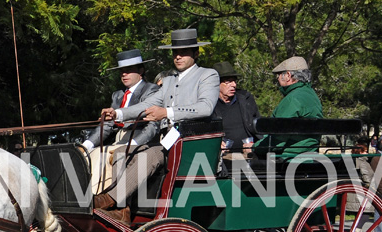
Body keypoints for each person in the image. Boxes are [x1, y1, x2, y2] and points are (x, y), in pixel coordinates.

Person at [95, 28, 220, 220]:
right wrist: (117, 113)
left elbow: (206, 107)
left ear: (195, 53)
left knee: (152, 154)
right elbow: (147, 105)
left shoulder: (208, 75)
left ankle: (109, 198)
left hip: (193, 143)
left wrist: (167, 112)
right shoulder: (169, 81)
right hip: (170, 143)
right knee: (121, 151)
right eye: (175, 52)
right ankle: (123, 208)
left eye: (184, 52)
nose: (178, 56)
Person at [82, 49, 160, 219]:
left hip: (138, 139)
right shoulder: (117, 95)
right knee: (93, 154)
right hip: (117, 140)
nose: (124, 74)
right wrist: (86, 146)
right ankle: (92, 198)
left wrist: (131, 144)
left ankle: (116, 205)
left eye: (129, 70)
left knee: (113, 154)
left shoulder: (151, 90)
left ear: (141, 71)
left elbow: (152, 126)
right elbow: (107, 125)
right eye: (121, 71)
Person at [256, 56, 323, 156]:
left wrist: (254, 148)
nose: (278, 79)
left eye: (278, 75)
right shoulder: (313, 96)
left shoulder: (292, 99)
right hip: (311, 156)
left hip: (289, 159)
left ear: (288, 75)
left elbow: (277, 142)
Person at [212, 61, 259, 158]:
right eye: (228, 81)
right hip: (221, 156)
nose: (233, 85)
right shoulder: (209, 104)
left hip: (248, 155)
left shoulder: (245, 99)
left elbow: (258, 125)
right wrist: (216, 142)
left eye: (234, 81)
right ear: (217, 84)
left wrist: (255, 145)